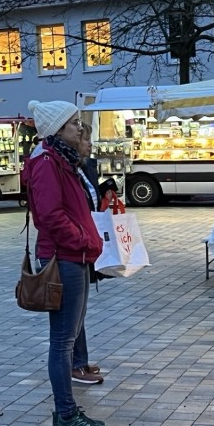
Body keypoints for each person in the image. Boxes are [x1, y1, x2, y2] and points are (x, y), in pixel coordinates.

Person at [25, 99, 107, 426]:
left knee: (67, 338)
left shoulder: (62, 159)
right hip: (64, 259)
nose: (80, 128)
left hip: (75, 256)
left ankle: (67, 410)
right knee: (62, 342)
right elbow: (50, 215)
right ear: (58, 129)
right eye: (74, 123)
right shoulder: (47, 162)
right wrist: (83, 242)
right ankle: (66, 413)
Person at [68, 122, 118, 386]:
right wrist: (81, 239)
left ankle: (80, 360)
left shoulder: (83, 169)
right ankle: (75, 364)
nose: (89, 144)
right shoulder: (68, 170)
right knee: (72, 312)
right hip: (73, 249)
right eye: (85, 139)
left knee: (79, 311)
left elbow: (90, 202)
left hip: (86, 246)